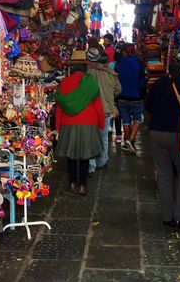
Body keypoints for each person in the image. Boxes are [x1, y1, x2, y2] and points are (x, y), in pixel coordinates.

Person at [145, 61, 180, 229]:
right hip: (177, 134)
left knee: (164, 175)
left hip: (156, 132)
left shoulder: (158, 83)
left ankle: (167, 217)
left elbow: (148, 106)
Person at [55, 65, 105, 195]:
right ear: (85, 71)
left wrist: (58, 126)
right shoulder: (91, 83)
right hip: (88, 122)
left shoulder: (64, 82)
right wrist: (101, 124)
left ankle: (72, 182)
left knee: (70, 154)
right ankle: (83, 185)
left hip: (68, 122)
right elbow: (98, 106)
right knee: (85, 155)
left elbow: (60, 106)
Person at [86, 45, 121, 172]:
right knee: (104, 137)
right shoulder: (112, 74)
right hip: (106, 110)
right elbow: (118, 90)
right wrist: (109, 96)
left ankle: (91, 165)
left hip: (93, 110)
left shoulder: (89, 73)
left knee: (91, 137)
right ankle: (102, 160)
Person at [115, 44, 146, 153]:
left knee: (126, 120)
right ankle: (130, 140)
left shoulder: (119, 63)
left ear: (125, 51)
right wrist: (142, 94)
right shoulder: (138, 63)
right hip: (136, 96)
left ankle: (127, 142)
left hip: (122, 96)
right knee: (138, 118)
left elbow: (116, 81)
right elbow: (142, 82)